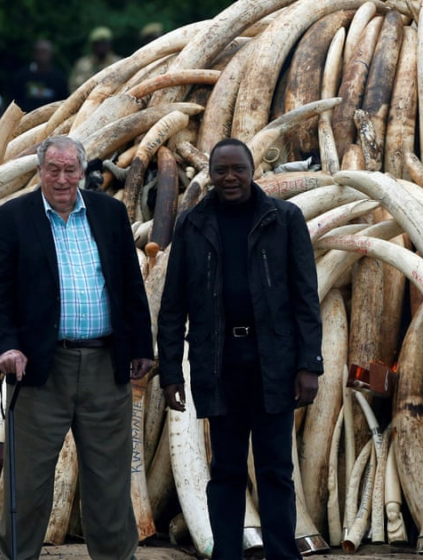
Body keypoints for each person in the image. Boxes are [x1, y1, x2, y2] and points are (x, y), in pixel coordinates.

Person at [0, 135, 154, 560]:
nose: (61, 178)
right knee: (29, 480)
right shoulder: (13, 217)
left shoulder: (110, 213)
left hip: (104, 364)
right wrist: (6, 346)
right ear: (39, 171)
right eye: (52, 170)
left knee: (109, 478)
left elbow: (131, 285)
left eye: (69, 170)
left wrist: (141, 345)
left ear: (82, 172)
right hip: (40, 368)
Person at [157, 138, 323, 559]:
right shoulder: (193, 224)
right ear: (209, 175)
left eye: (238, 169)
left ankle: (283, 555)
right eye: (221, 170)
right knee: (226, 470)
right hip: (218, 366)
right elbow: (173, 306)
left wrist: (309, 365)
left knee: (275, 471)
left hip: (274, 365)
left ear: (253, 172)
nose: (230, 178)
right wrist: (172, 373)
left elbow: (306, 298)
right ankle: (226, 554)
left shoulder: (283, 219)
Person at [11, 39, 69, 112]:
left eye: (44, 52)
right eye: (39, 52)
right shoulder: (23, 76)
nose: (42, 56)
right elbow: (15, 101)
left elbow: (63, 102)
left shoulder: (59, 78)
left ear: (50, 54)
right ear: (34, 53)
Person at [69, 26, 122, 92]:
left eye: (105, 43)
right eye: (98, 44)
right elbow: (73, 87)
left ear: (110, 44)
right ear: (93, 45)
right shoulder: (82, 64)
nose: (102, 47)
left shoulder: (119, 63)